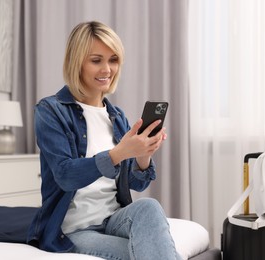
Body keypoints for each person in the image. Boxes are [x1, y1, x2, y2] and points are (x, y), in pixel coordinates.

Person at [27, 21, 181, 260]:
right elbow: (65, 176)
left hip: (113, 220)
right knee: (146, 254)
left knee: (149, 207)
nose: (107, 69)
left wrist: (143, 156)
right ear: (76, 62)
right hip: (73, 231)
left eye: (113, 59)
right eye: (96, 60)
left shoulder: (116, 116)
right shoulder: (51, 110)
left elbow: (136, 184)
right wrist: (118, 153)